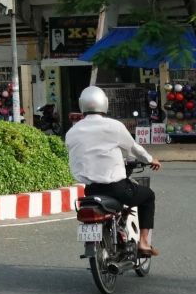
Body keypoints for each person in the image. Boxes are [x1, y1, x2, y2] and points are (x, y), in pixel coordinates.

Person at [65, 85, 162, 257]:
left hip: (90, 190)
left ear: (82, 105)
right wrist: (150, 159)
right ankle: (145, 243)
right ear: (105, 104)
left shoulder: (72, 131)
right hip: (117, 189)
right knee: (148, 196)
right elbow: (134, 148)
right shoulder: (114, 126)